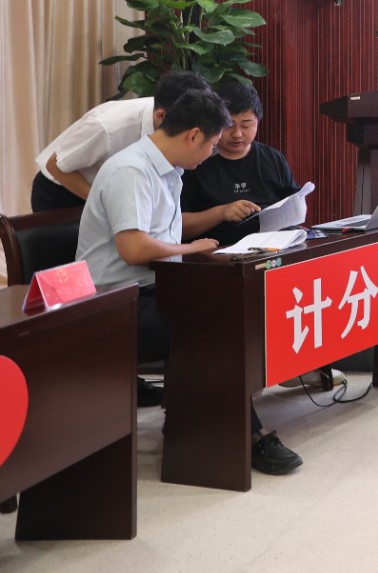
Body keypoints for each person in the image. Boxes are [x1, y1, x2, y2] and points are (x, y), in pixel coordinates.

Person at [73, 88, 303, 474]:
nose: (212, 154)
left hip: (159, 285)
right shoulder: (131, 171)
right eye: (212, 145)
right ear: (193, 135)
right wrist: (191, 248)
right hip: (116, 301)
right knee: (214, 325)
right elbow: (133, 249)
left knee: (236, 306)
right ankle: (248, 435)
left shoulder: (170, 171)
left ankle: (193, 420)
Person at [31, 70, 209, 211]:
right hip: (63, 190)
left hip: (114, 192)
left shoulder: (182, 115)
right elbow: (55, 165)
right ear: (161, 116)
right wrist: (105, 203)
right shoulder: (108, 126)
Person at [181, 80, 300, 246]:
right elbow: (177, 227)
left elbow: (295, 206)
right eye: (228, 125)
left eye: (246, 125)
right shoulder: (195, 162)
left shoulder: (272, 158)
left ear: (257, 122)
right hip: (216, 253)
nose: (237, 134)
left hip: (272, 248)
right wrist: (221, 213)